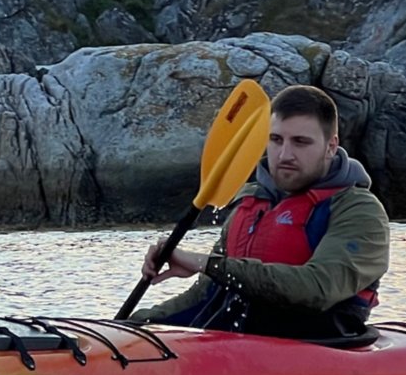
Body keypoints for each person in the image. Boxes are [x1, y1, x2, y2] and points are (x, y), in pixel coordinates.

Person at [133, 83, 389, 339]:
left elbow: (317, 289)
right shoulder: (253, 202)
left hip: (320, 344)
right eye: (276, 140)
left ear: (331, 147)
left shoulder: (360, 212)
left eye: (300, 142)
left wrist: (204, 263)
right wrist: (133, 326)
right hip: (241, 346)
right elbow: (209, 294)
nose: (285, 154)